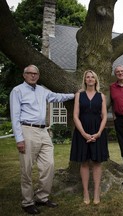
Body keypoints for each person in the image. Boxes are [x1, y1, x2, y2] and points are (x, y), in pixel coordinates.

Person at [9, 64, 75, 215]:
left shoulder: (42, 91)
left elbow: (58, 96)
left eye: (35, 74)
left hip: (43, 130)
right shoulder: (17, 91)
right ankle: (27, 202)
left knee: (49, 165)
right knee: (26, 168)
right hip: (27, 130)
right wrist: (19, 139)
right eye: (30, 73)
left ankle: (42, 197)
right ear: (24, 75)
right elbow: (15, 116)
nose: (33, 75)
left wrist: (75, 95)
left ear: (38, 76)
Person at [70, 70, 109, 205]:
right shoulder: (78, 95)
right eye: (88, 77)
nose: (90, 79)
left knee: (97, 162)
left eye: (93, 77)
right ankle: (86, 191)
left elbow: (104, 116)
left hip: (98, 131)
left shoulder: (101, 96)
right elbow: (75, 116)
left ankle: (97, 192)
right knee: (84, 162)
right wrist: (83, 133)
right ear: (85, 80)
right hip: (82, 131)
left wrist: (98, 133)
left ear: (96, 80)